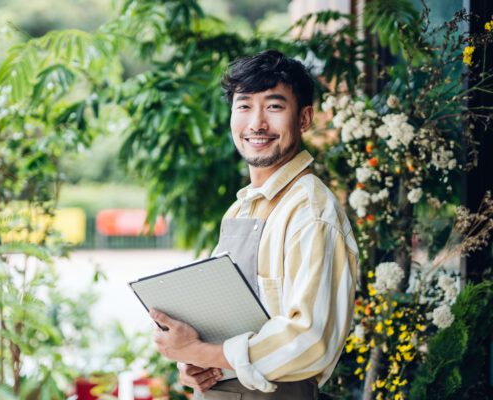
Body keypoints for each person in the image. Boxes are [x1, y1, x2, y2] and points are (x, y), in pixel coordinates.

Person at [149, 50, 359, 399]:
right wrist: (195, 363)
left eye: (274, 107)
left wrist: (202, 353)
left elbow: (309, 338)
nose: (256, 123)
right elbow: (220, 317)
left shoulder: (310, 211)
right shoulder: (240, 209)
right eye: (244, 106)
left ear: (304, 118)